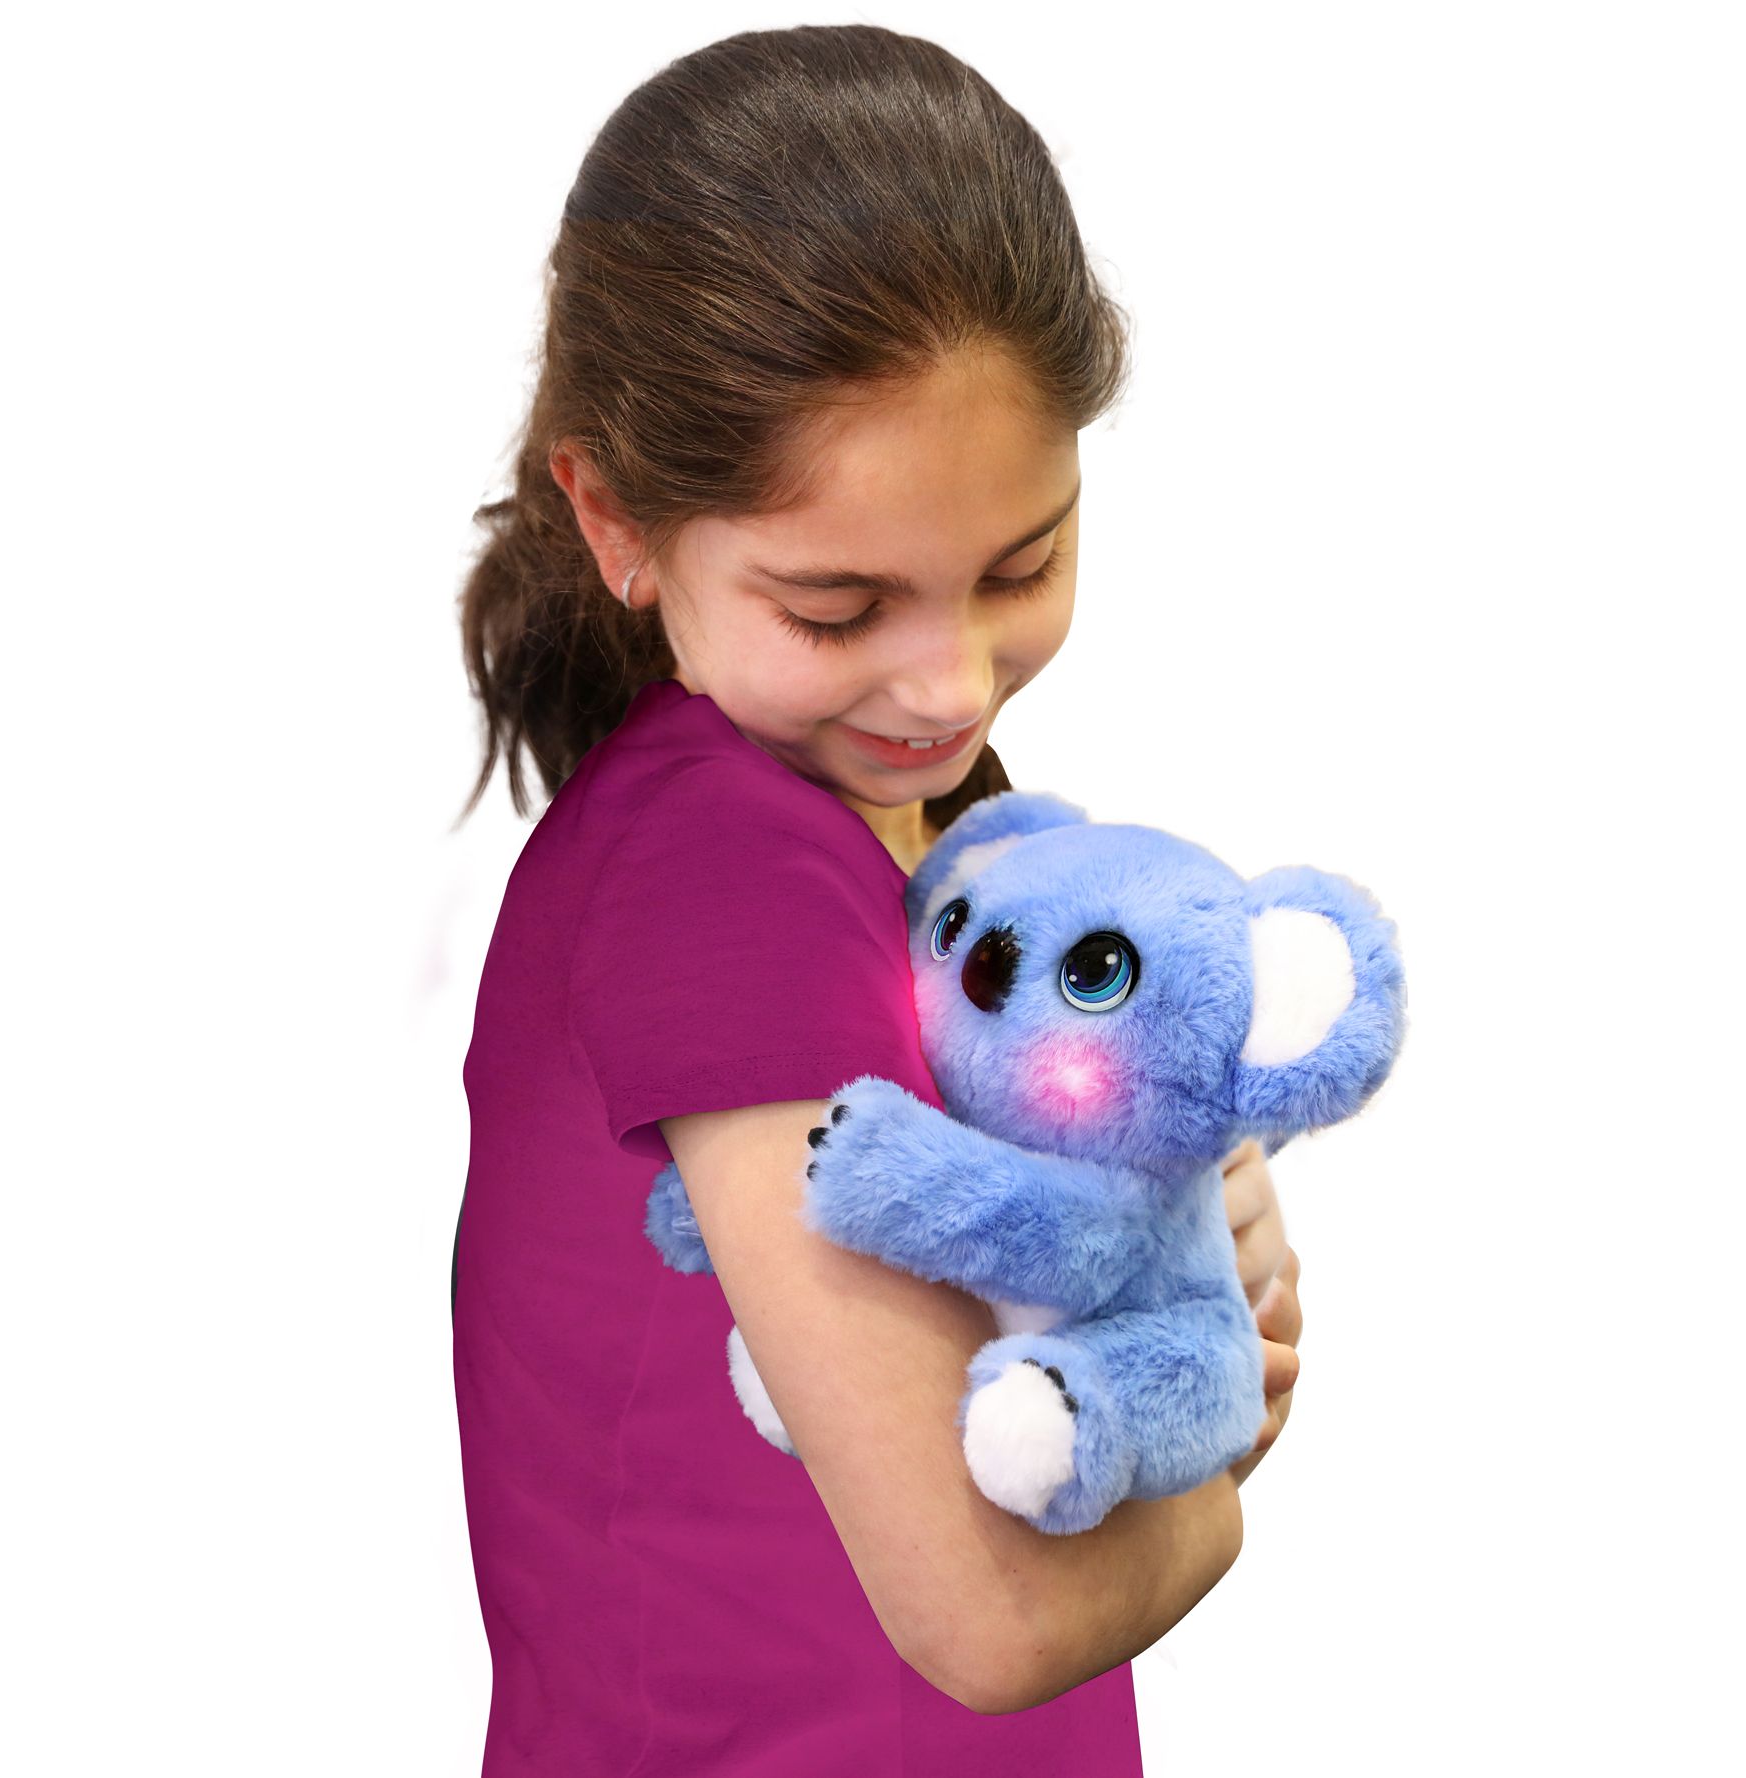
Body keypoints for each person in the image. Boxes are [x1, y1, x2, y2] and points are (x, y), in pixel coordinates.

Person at [451, 24, 1304, 1775]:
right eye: (839, 610)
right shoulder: (720, 870)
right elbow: (995, 1612)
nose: (951, 683)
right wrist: (1216, 1442)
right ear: (616, 520)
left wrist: (1164, 1276)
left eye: (1022, 564)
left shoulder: (922, 843)